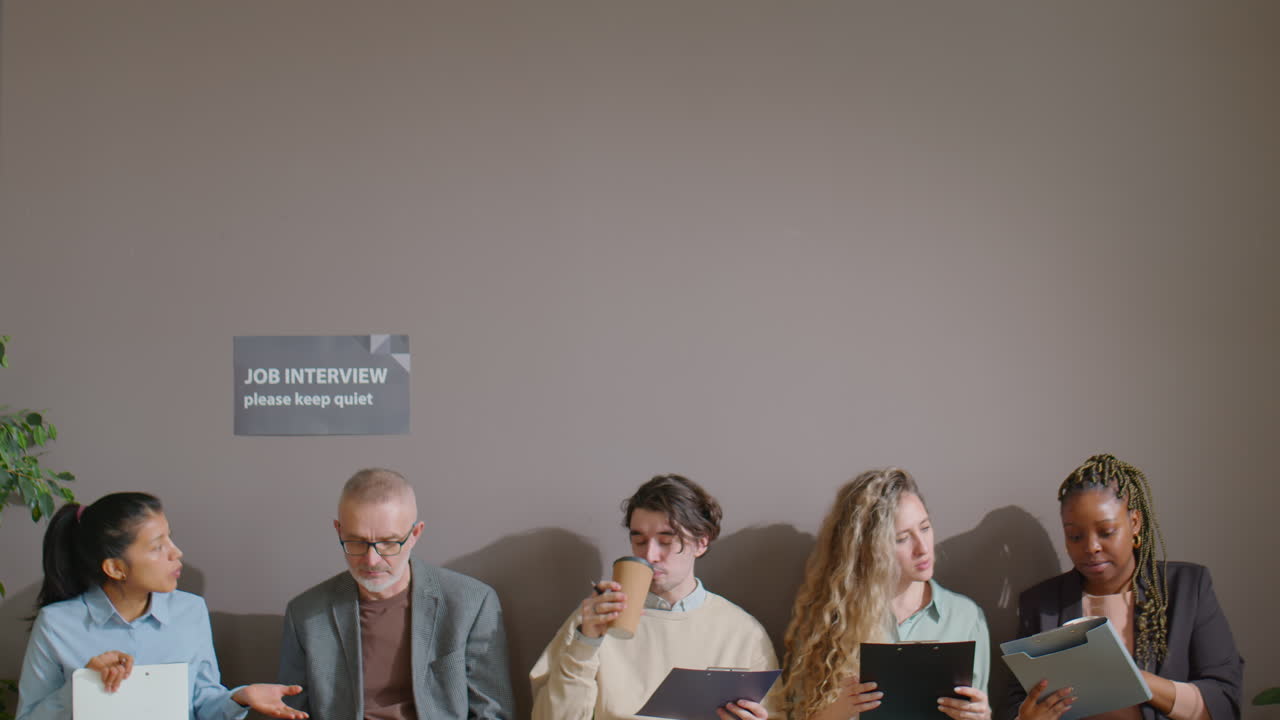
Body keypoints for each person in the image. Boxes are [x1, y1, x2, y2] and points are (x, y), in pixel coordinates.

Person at [16, 492, 306, 720]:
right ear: (116, 568)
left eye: (170, 537)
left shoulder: (189, 611)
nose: (176, 552)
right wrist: (84, 684)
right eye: (157, 546)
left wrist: (241, 697)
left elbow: (204, 705)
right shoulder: (56, 624)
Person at [1004, 454, 1243, 720]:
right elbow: (1016, 703)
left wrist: (1133, 679)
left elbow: (1223, 701)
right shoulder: (1041, 603)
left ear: (1135, 523)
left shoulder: (1187, 589)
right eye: (1075, 536)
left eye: (1106, 532)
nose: (1091, 547)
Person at [530, 474, 778, 720]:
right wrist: (585, 643)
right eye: (639, 541)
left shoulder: (742, 632)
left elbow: (775, 714)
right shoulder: (595, 619)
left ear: (701, 543)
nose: (650, 555)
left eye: (665, 541)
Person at [278, 468, 514, 719]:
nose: (371, 560)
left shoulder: (471, 603)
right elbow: (292, 712)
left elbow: (492, 712)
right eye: (356, 542)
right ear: (339, 531)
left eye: (389, 542)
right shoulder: (305, 615)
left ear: (415, 534)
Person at [777, 468, 991, 720]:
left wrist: (981, 715)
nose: (922, 548)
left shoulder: (965, 616)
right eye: (902, 539)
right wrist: (838, 710)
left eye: (925, 528)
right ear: (868, 549)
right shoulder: (830, 619)